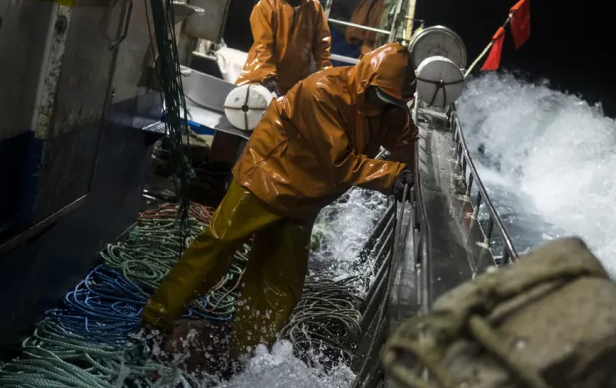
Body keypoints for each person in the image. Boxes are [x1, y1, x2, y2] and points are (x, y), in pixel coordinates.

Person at [142, 42, 418, 365]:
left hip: (305, 198)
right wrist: (392, 175)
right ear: (366, 82)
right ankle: (155, 319)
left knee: (282, 280)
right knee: (215, 248)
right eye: (382, 99)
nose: (386, 108)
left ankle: (247, 351)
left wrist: (411, 168)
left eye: (394, 103)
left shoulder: (389, 106)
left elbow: (404, 140)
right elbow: (339, 163)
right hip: (267, 176)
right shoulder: (324, 92)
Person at [236, 0, 332, 96]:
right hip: (262, 80)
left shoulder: (314, 8)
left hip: (294, 86)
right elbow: (263, 46)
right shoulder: (266, 6)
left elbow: (322, 47)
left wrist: (326, 78)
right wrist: (267, 76)